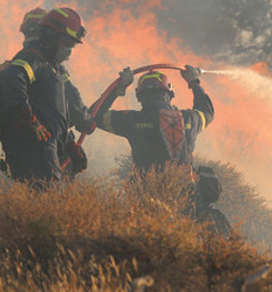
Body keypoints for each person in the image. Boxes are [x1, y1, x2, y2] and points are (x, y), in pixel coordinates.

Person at [95, 66, 231, 235]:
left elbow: (94, 116)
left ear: (140, 97)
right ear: (169, 95)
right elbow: (207, 111)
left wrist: (118, 88)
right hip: (189, 199)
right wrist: (194, 83)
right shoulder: (188, 119)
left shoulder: (131, 120)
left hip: (147, 200)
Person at [0, 8, 96, 176]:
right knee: (45, 195)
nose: (69, 50)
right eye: (68, 44)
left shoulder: (48, 66)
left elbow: (49, 112)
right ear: (51, 36)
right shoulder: (34, 60)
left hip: (47, 146)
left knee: (50, 198)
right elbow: (14, 82)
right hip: (35, 148)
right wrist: (30, 121)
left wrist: (69, 143)